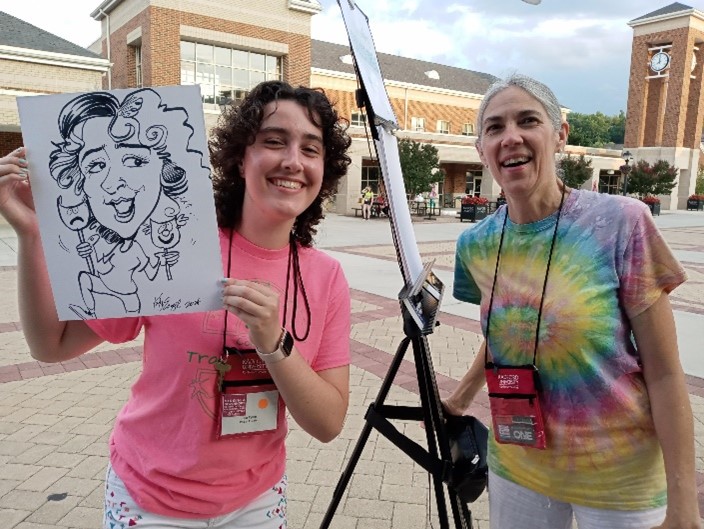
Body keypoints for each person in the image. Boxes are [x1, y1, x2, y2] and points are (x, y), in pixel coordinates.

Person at [0, 80, 353, 528]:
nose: (292, 161)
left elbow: (327, 423)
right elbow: (51, 346)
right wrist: (33, 236)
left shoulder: (326, 277)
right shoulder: (168, 242)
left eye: (311, 148)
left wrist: (273, 342)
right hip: (150, 499)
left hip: (258, 500)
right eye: (274, 141)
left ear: (326, 168)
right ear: (241, 157)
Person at [443, 74, 700, 529]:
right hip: (518, 466)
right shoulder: (476, 246)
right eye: (495, 127)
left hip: (618, 478)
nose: (511, 137)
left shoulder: (622, 224)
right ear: (481, 148)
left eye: (528, 121)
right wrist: (461, 397)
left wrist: (684, 507)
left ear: (560, 134)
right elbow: (511, 331)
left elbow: (663, 373)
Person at [47, 89, 192, 319]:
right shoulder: (107, 244)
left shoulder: (192, 242)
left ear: (164, 168)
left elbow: (151, 271)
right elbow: (52, 348)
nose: (113, 182)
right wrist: (29, 234)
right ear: (79, 183)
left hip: (133, 296)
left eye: (134, 160)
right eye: (95, 166)